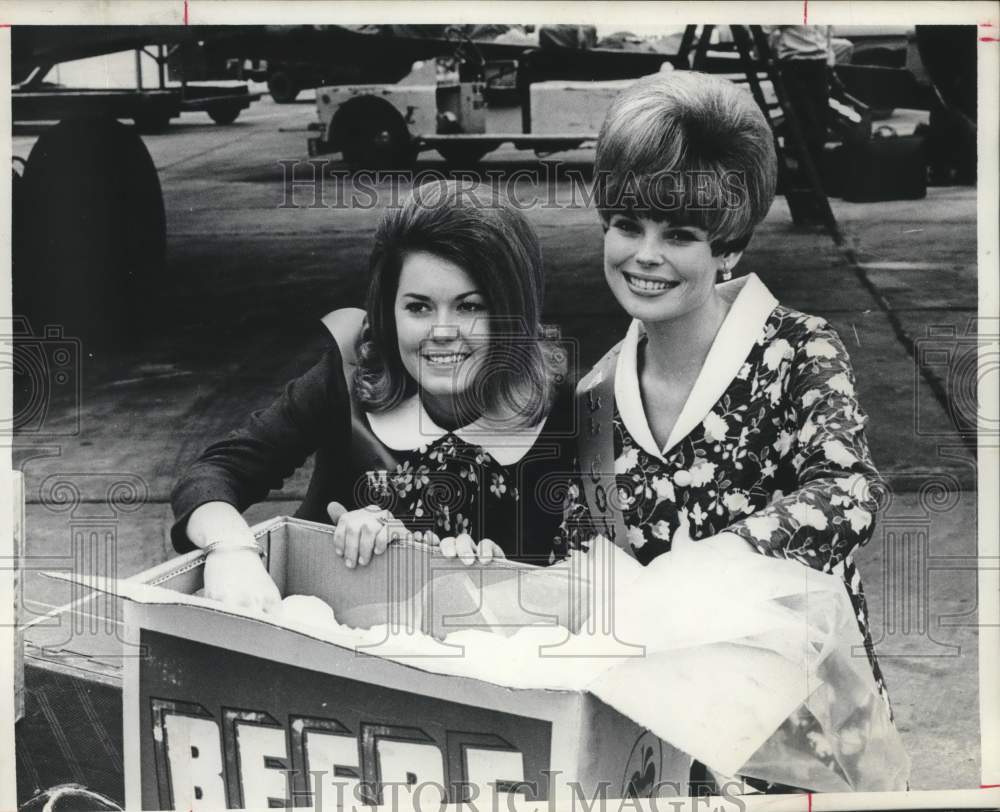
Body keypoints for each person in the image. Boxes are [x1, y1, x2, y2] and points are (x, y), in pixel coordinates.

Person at [568, 70, 895, 792]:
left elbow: (849, 492)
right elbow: (584, 570)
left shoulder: (799, 351)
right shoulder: (595, 396)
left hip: (812, 739)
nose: (645, 255)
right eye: (628, 224)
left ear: (729, 249)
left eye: (679, 233)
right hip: (670, 746)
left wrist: (719, 558)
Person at [170, 181, 575, 613]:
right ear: (388, 312)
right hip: (328, 638)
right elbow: (216, 471)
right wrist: (232, 549)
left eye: (470, 307)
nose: (441, 332)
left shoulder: (563, 413)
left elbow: (579, 574)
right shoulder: (346, 376)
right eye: (417, 307)